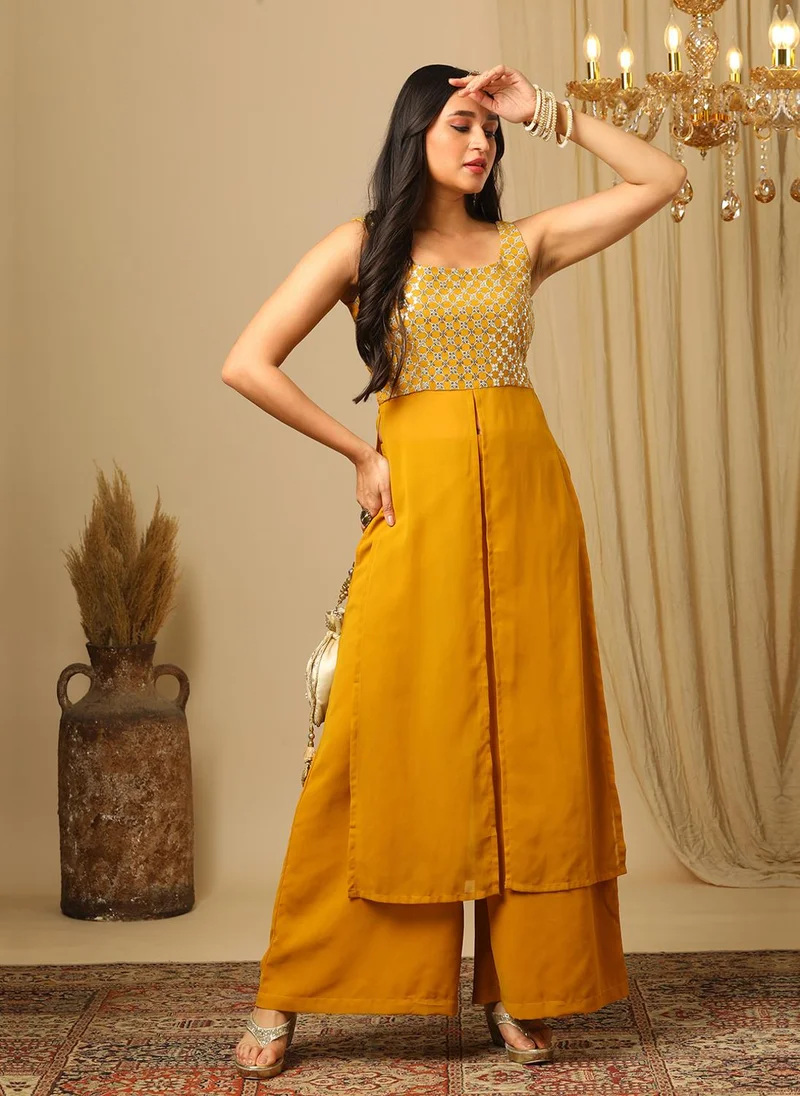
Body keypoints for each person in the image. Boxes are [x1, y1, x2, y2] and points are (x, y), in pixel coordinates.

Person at [223, 63, 686, 1081]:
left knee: (531, 746)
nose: (481, 143)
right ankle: (288, 985)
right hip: (419, 513)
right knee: (377, 739)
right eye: (460, 126)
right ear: (414, 136)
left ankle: (519, 985)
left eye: (490, 129)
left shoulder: (523, 244)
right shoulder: (361, 246)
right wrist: (358, 453)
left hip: (530, 511)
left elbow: (661, 180)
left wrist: (547, 111)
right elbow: (247, 361)